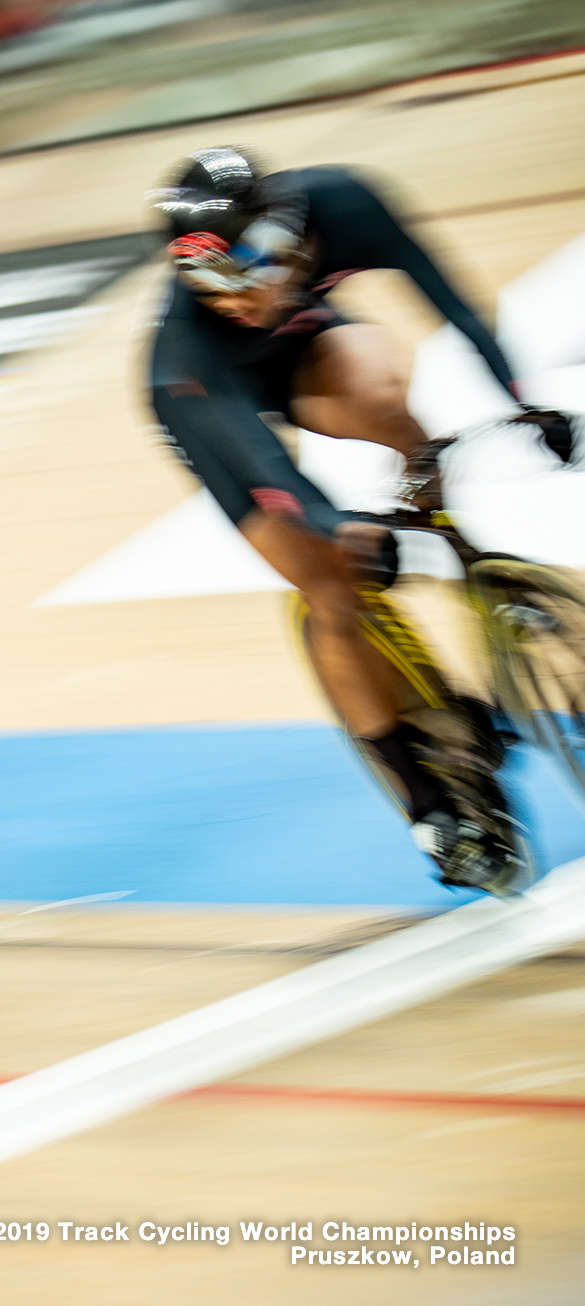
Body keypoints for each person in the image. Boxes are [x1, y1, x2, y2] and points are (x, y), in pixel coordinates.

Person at [144, 146, 575, 892]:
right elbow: (269, 470)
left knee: (391, 408)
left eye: (242, 281)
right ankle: (428, 805)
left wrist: (522, 402)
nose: (232, 302)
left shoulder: (343, 204)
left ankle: (479, 581)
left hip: (306, 342)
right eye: (208, 290)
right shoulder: (191, 339)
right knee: (332, 587)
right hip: (211, 406)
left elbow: (450, 299)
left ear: (284, 241)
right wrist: (333, 525)